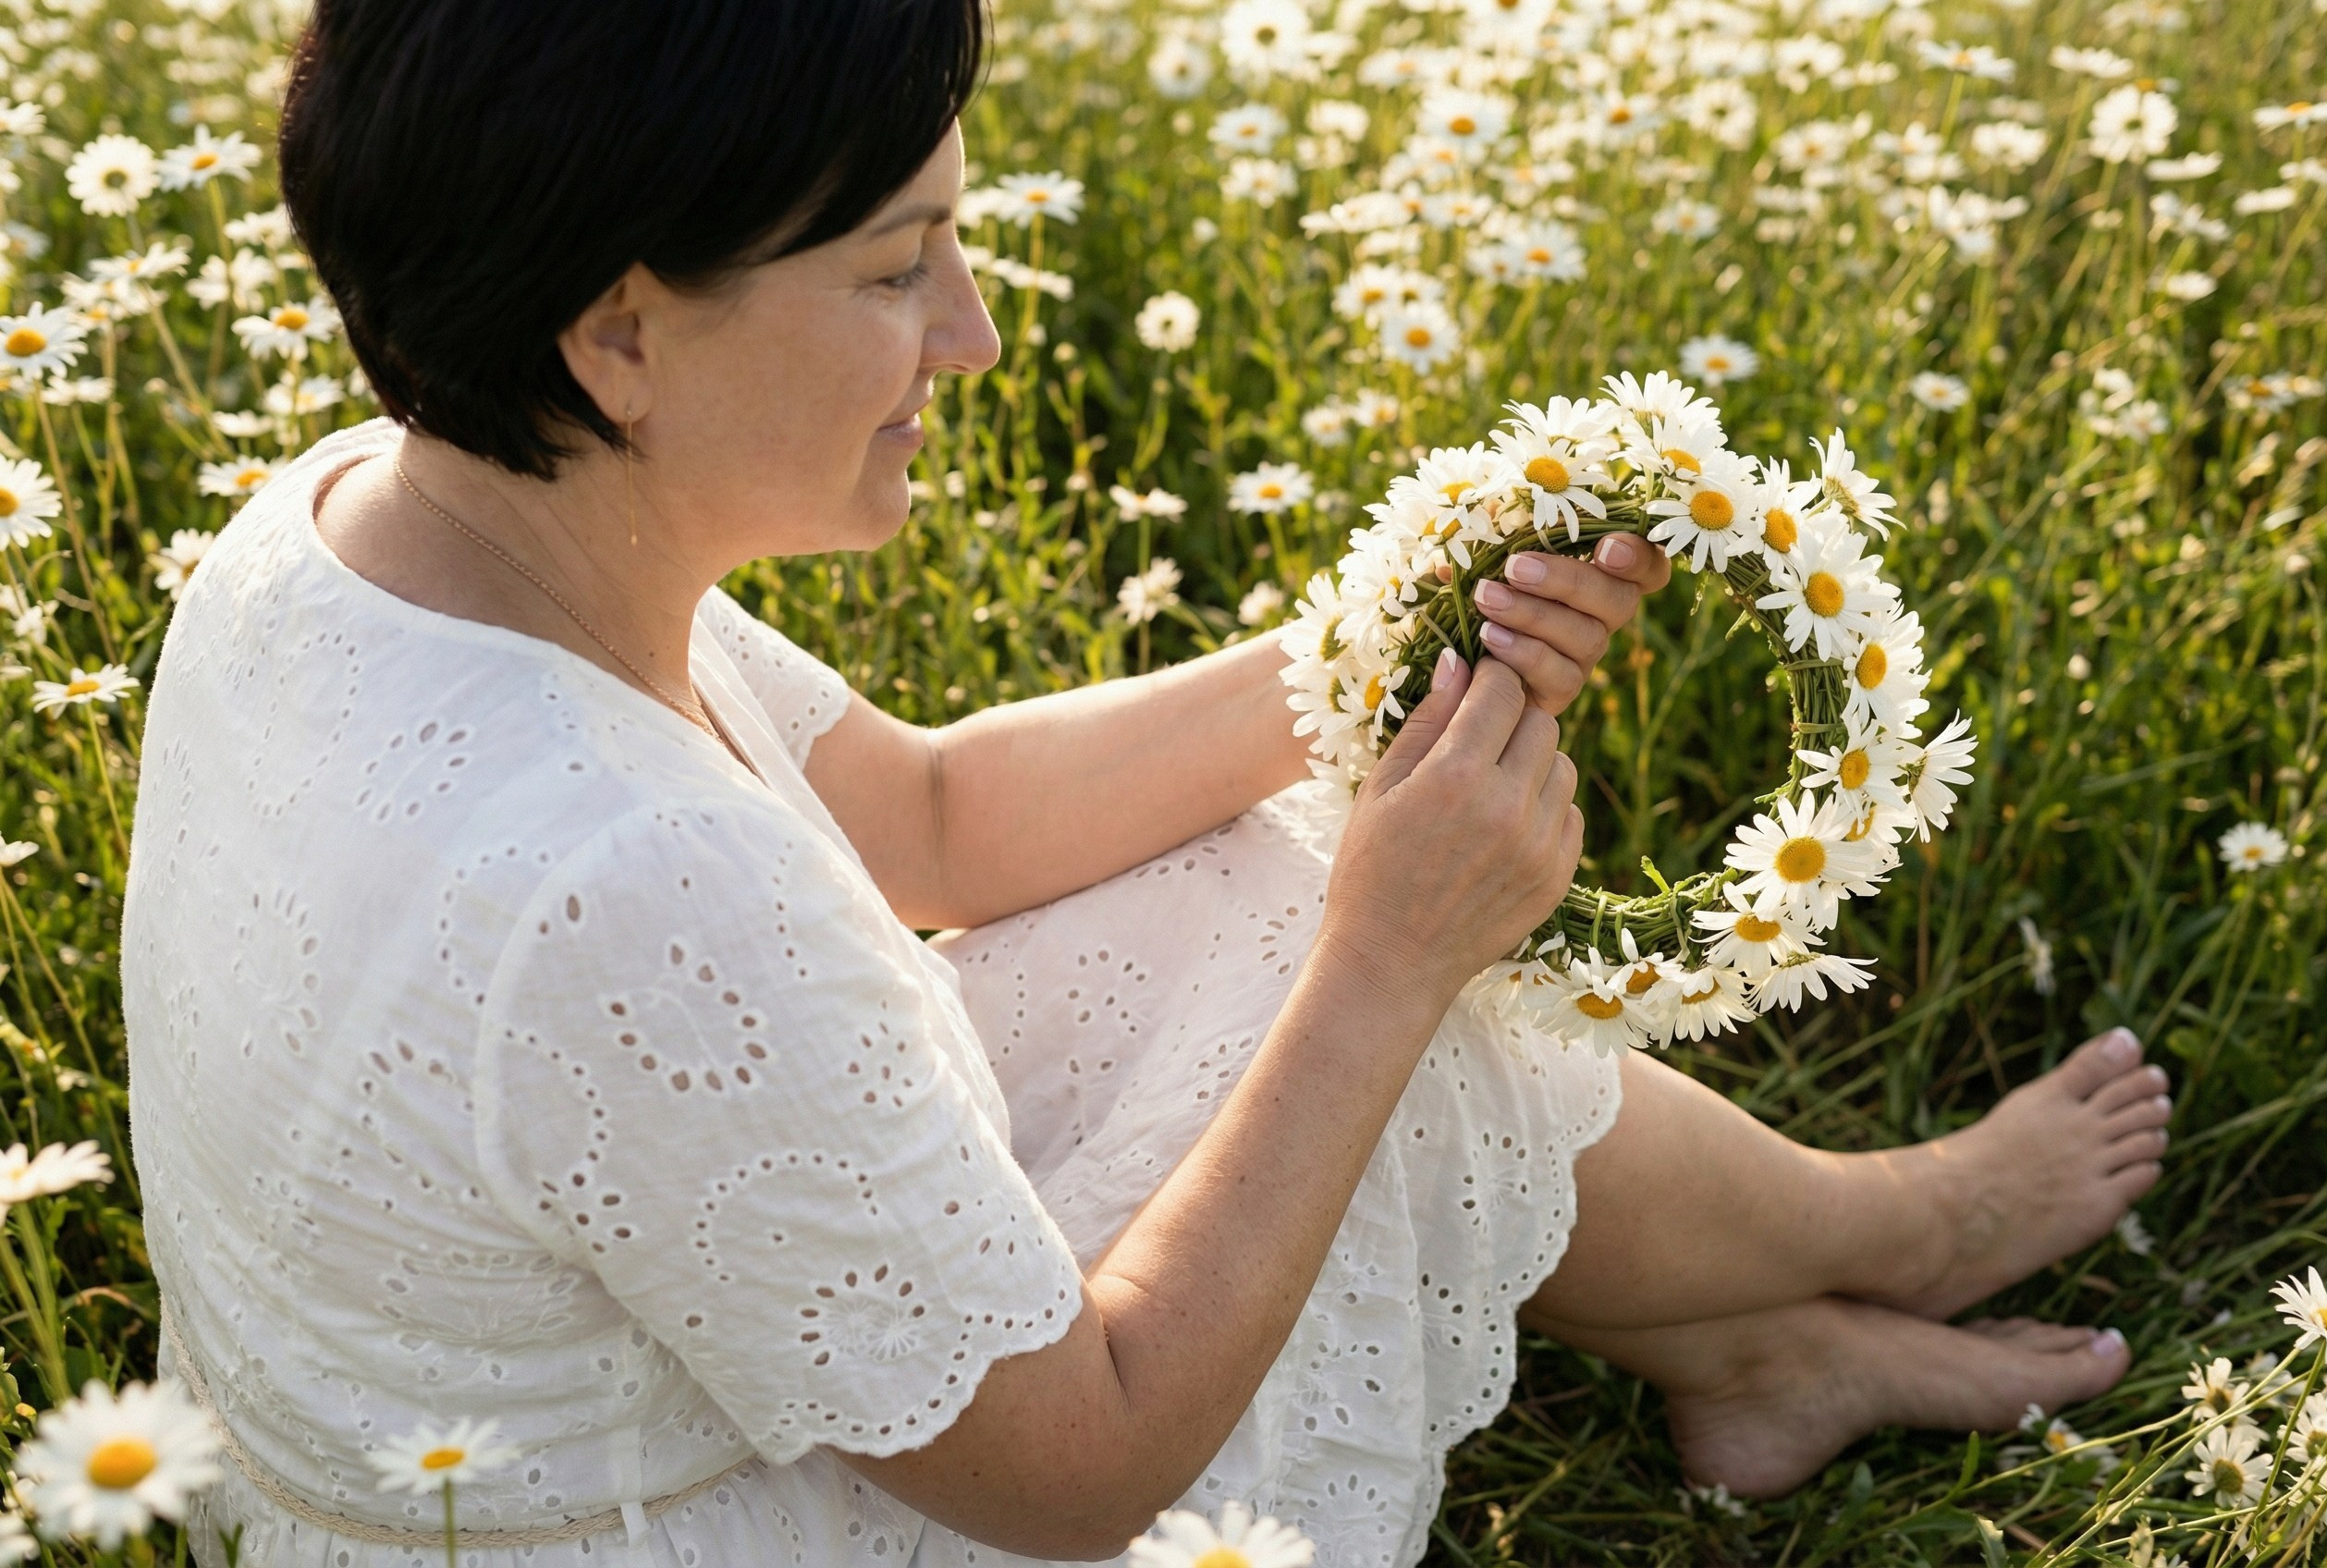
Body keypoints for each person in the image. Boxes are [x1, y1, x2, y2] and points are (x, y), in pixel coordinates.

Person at [119, 2, 2174, 1563]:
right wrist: (1387, 957)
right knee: (1341, 968)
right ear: (619, 333)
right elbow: (1080, 1472)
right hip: (686, 1518)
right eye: (896, 266)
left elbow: (924, 821)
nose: (980, 335)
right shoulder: (616, 880)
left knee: (1254, 882)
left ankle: (1761, 1333)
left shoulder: (370, 525)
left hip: (558, 1359)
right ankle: (1890, 1235)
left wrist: (1380, 645)